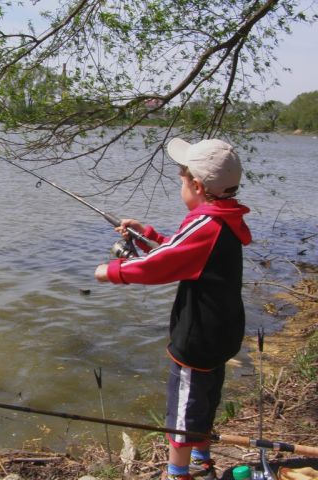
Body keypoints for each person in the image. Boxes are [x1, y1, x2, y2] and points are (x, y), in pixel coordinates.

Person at [94, 138, 252, 480]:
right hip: (221, 335)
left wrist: (114, 271)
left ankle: (177, 473)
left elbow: (161, 265)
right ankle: (201, 461)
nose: (180, 187)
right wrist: (146, 232)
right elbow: (185, 253)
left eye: (181, 181)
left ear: (196, 186)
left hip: (197, 339)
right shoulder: (224, 219)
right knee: (204, 402)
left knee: (183, 411)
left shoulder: (204, 223)